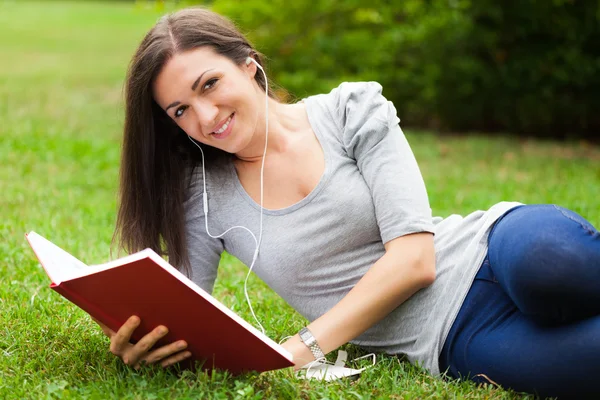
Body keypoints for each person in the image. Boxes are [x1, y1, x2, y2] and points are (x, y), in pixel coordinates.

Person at [94, 7, 600, 399]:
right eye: (181, 109)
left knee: (551, 270)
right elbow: (187, 312)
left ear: (248, 67)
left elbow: (415, 259)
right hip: (452, 335)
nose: (206, 116)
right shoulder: (201, 194)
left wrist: (301, 348)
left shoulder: (350, 110)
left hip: (492, 247)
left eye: (210, 84)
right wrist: (140, 335)